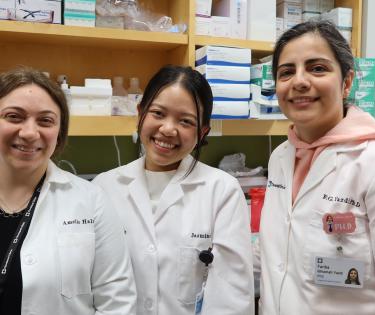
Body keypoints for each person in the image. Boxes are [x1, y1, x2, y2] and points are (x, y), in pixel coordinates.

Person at [259, 20, 375, 315]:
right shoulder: (281, 157)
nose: (299, 81)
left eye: (317, 68)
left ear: (346, 82)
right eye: (287, 72)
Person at [93, 65, 254, 315]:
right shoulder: (104, 188)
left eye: (185, 121)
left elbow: (230, 297)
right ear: (140, 113)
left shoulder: (222, 191)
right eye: (158, 113)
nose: (168, 129)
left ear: (202, 133)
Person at [0, 67, 136, 315]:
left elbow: (117, 302)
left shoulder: (91, 201)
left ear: (59, 134)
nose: (30, 132)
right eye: (14, 116)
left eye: (45, 120)